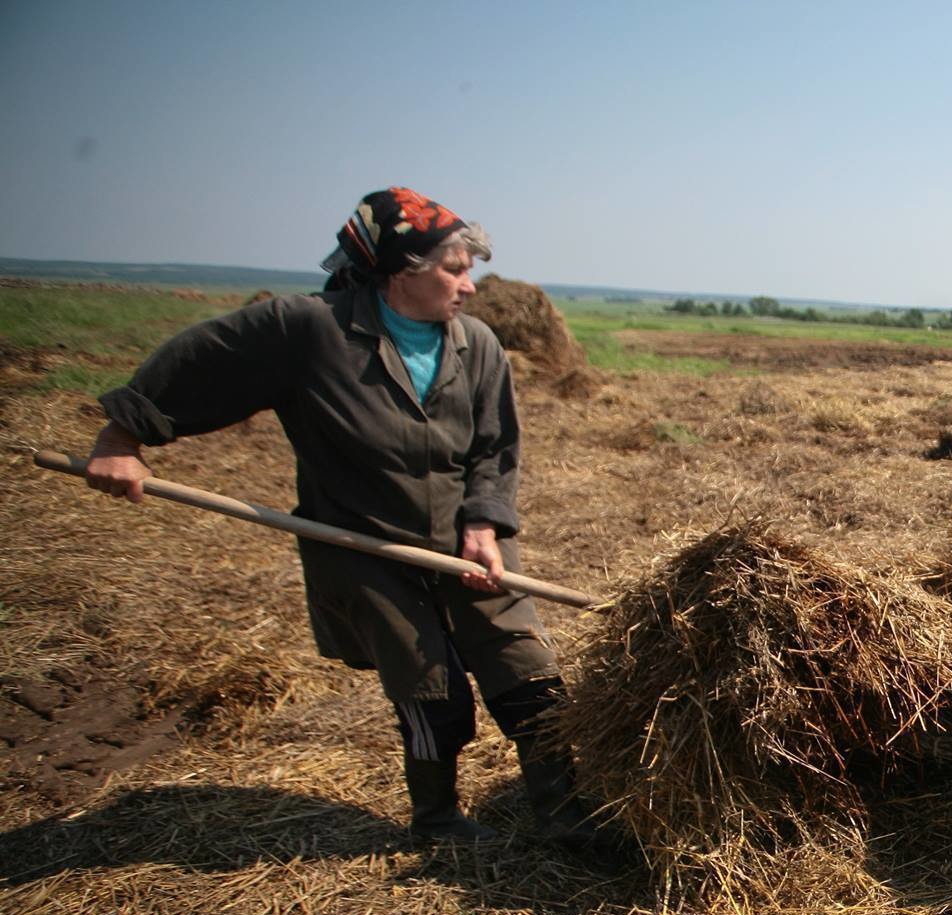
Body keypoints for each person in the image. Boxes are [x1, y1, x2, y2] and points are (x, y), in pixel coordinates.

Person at [83, 187, 617, 853]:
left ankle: (568, 816)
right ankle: (439, 819)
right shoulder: (312, 331)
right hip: (361, 544)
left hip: (463, 542)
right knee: (434, 694)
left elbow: (493, 448)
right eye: (454, 269)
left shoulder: (476, 345)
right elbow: (204, 357)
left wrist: (484, 523)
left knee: (531, 675)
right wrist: (121, 438)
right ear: (401, 273)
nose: (471, 287)